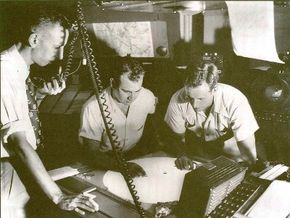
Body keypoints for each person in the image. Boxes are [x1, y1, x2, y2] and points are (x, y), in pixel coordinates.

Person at [1, 7, 99, 218]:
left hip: (19, 163)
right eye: (56, 47)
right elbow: (19, 141)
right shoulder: (3, 73)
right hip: (8, 166)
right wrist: (58, 196)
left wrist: (40, 95)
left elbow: (14, 114)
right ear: (34, 40)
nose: (58, 54)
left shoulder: (19, 69)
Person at [164, 60, 259, 170]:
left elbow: (246, 146)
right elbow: (178, 138)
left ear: (214, 89)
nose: (194, 105)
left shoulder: (235, 99)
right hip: (200, 156)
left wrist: (250, 167)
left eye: (200, 99)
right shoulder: (177, 99)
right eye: (190, 98)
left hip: (234, 155)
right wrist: (182, 155)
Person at [79, 58, 157, 177]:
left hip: (134, 156)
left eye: (137, 91)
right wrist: (123, 166)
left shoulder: (147, 97)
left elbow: (152, 125)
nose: (132, 97)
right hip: (104, 161)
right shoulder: (92, 107)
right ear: (113, 83)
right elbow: (92, 153)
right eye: (126, 91)